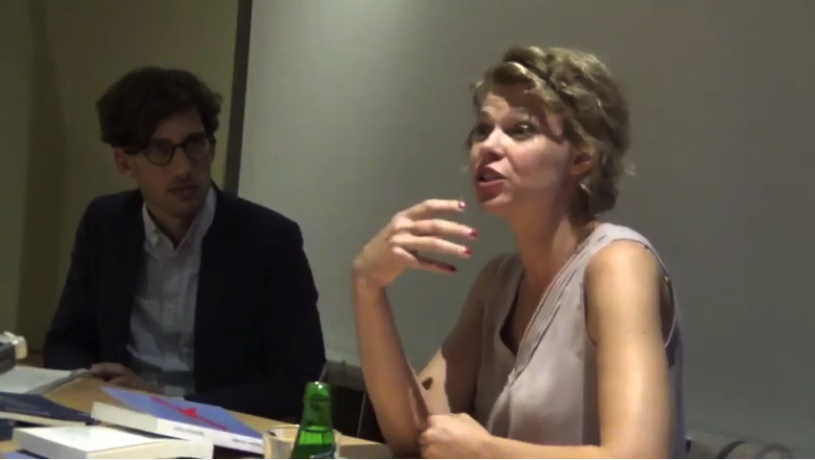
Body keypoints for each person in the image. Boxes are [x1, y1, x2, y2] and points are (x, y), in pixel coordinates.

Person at [352, 45, 685, 457]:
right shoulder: (499, 281)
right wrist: (368, 287)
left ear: (582, 157)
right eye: (482, 129)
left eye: (520, 130)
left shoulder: (619, 264)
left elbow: (637, 457)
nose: (488, 146)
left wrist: (486, 452)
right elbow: (415, 436)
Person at [43, 67, 326, 419]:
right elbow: (66, 342)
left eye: (194, 144)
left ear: (211, 147)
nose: (183, 168)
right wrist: (93, 385)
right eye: (160, 149)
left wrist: (167, 404)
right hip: (115, 421)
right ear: (124, 162)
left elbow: (298, 383)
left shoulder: (269, 239)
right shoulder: (106, 223)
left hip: (220, 430)